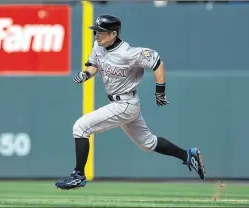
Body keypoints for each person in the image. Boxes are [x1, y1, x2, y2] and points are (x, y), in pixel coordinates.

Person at [55, 14, 205, 190]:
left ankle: (78, 175)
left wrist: (160, 92)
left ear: (113, 34)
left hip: (125, 104)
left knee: (80, 127)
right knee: (148, 143)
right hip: (121, 104)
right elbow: (94, 64)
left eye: (101, 32)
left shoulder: (128, 53)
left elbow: (157, 62)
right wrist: (86, 74)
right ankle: (188, 155)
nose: (97, 35)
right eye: (96, 31)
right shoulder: (99, 47)